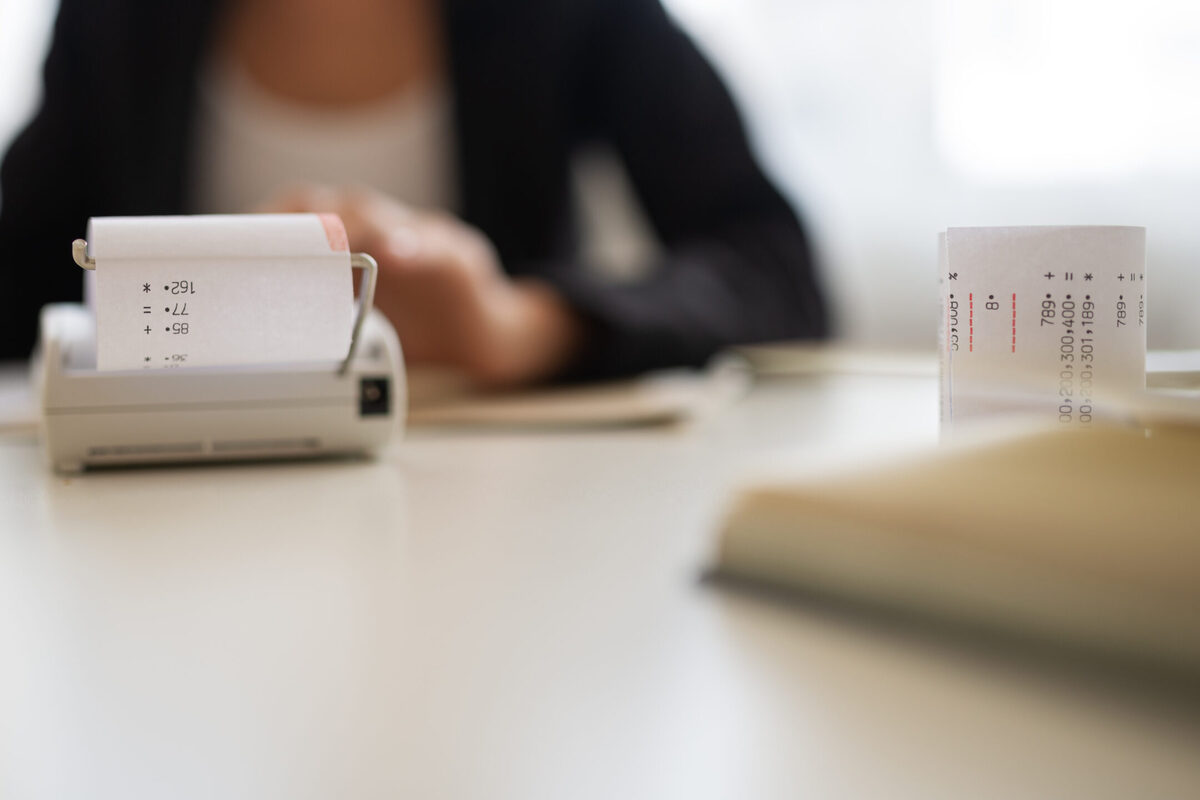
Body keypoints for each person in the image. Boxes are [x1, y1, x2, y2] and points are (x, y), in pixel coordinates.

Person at [0, 0, 828, 385]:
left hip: (512, 532)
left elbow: (776, 268)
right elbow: (18, 280)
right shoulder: (117, 22)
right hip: (168, 530)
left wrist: (524, 324)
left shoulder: (573, 17)